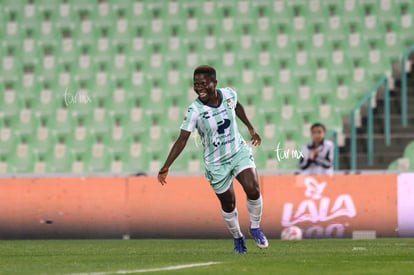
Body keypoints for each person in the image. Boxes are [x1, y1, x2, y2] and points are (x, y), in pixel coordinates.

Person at [157, 65, 268, 254]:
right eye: (196, 84)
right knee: (228, 204)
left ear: (214, 83)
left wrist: (250, 127)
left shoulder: (229, 94)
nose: (199, 87)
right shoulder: (195, 111)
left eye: (203, 83)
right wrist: (166, 166)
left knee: (253, 188)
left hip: (238, 151)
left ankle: (255, 227)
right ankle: (238, 238)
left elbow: (237, 106)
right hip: (216, 163)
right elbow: (182, 139)